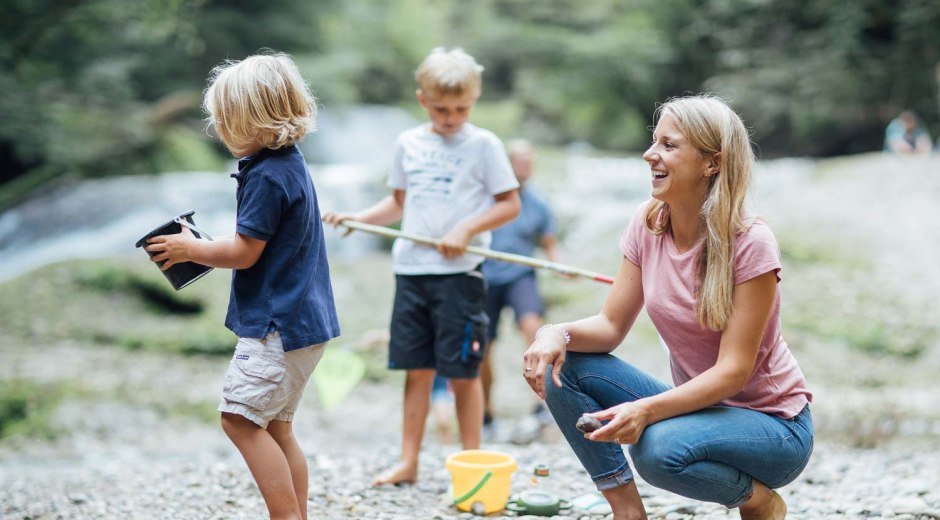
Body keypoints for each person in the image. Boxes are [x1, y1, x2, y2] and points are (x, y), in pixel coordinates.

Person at [523, 95, 813, 520]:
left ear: (710, 163)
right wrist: (553, 333)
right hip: (697, 409)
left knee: (658, 450)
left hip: (774, 428)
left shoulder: (751, 242)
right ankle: (627, 511)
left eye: (668, 145)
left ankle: (761, 501)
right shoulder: (648, 222)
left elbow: (734, 371)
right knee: (561, 365)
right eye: (653, 142)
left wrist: (645, 411)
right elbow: (609, 325)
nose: (649, 154)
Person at [145, 53, 340, 520]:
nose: (218, 128)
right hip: (305, 324)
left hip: (276, 328)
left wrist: (190, 249)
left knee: (239, 419)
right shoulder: (288, 163)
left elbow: (243, 252)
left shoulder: (267, 176)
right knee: (276, 427)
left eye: (225, 119)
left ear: (255, 119)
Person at [322, 47, 521, 486]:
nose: (451, 117)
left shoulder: (484, 144)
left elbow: (509, 204)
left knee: (463, 373)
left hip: (460, 277)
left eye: (462, 108)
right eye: (441, 108)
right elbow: (397, 203)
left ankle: (472, 466)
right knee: (417, 369)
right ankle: (408, 461)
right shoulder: (408, 143)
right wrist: (359, 218)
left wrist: (466, 229)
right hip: (412, 273)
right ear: (422, 100)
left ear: (475, 98)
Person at [480, 138, 560, 442]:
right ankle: (486, 414)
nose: (524, 168)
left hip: (520, 276)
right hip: (485, 277)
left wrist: (559, 265)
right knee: (483, 350)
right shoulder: (487, 198)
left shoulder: (539, 203)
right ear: (507, 165)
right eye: (519, 162)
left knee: (535, 332)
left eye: (529, 163)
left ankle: (542, 407)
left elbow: (550, 245)